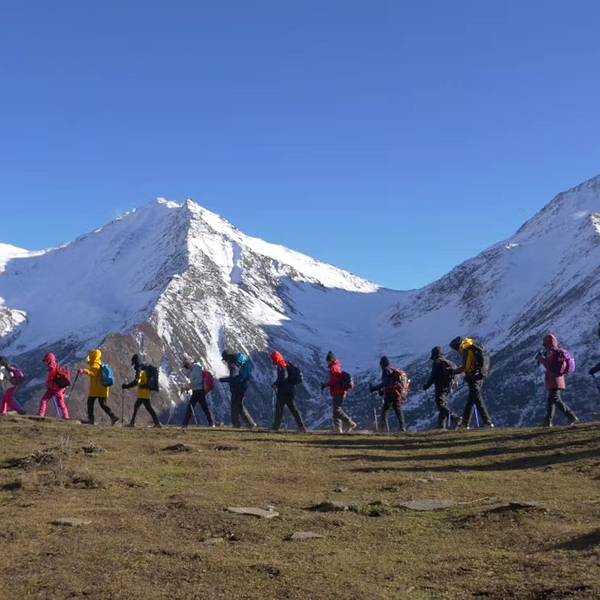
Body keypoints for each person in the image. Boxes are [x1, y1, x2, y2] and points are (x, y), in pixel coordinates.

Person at [449, 337, 494, 429]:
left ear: (458, 346)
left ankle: (488, 422)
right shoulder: (473, 346)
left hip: (473, 377)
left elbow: (465, 367)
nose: (457, 351)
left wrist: (452, 372)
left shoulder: (466, 350)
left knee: (477, 400)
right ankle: (465, 424)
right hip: (479, 376)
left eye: (456, 349)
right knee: (471, 401)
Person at [537, 334, 579, 427]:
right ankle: (548, 422)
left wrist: (541, 359)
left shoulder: (553, 353)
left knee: (555, 399)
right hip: (557, 379)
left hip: (554, 380)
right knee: (551, 401)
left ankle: (571, 416)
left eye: (545, 344)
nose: (544, 346)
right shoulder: (556, 352)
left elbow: (549, 366)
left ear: (548, 343)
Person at [423, 346, 462, 429]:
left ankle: (454, 418)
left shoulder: (437, 362)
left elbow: (433, 376)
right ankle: (441, 426)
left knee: (440, 404)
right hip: (449, 386)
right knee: (443, 405)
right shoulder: (448, 362)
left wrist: (426, 385)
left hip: (440, 386)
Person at [79, 349, 118, 425]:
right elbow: (90, 364)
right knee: (103, 404)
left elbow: (93, 373)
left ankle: (91, 420)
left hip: (96, 389)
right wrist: (88, 361)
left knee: (90, 403)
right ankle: (113, 416)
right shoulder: (99, 363)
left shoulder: (95, 364)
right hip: (103, 388)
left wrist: (83, 371)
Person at [219, 350, 257, 428]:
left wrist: (224, 380)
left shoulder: (232, 363)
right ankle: (250, 424)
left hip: (238, 386)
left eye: (225, 359)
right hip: (244, 384)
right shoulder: (238, 360)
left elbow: (234, 377)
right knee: (239, 405)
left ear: (227, 357)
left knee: (234, 404)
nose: (225, 361)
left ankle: (236, 424)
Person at [271, 351, 307, 432]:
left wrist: (276, 384)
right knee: (293, 409)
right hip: (290, 390)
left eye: (273, 359)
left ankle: (275, 427)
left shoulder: (281, 365)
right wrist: (277, 383)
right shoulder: (285, 363)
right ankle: (301, 427)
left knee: (279, 409)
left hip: (284, 391)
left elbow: (284, 376)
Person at [122, 354, 161, 428]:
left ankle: (157, 423)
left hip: (144, 392)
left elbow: (136, 382)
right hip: (145, 392)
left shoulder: (139, 369)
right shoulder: (144, 367)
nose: (133, 365)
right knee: (137, 406)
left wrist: (126, 386)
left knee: (148, 407)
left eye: (133, 362)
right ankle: (132, 423)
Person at [321, 351, 357, 433]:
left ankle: (350, 423)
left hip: (338, 392)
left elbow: (334, 381)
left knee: (337, 410)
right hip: (340, 391)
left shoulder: (333, 368)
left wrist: (325, 385)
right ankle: (338, 429)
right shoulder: (337, 366)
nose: (327, 362)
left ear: (331, 360)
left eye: (328, 360)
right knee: (335, 411)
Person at [369, 356, 407, 432]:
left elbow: (385, 383)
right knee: (398, 411)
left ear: (382, 364)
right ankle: (402, 428)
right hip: (396, 394)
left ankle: (383, 429)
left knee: (385, 412)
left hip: (390, 394)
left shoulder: (385, 371)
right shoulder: (392, 370)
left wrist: (374, 388)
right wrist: (382, 391)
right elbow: (389, 384)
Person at [180, 355, 215, 428]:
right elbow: (196, 380)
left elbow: (198, 381)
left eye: (186, 366)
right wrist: (189, 386)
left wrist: (188, 386)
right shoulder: (195, 368)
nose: (187, 368)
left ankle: (185, 424)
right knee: (204, 407)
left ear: (188, 364)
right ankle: (211, 423)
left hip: (198, 390)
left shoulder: (196, 368)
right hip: (198, 390)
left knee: (191, 407)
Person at [39, 352, 70, 419]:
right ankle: (66, 416)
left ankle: (41, 414)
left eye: (46, 360)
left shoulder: (51, 368)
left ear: (49, 360)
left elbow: (51, 379)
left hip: (53, 388)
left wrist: (47, 384)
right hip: (59, 389)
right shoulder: (56, 366)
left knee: (44, 400)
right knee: (61, 403)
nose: (45, 363)